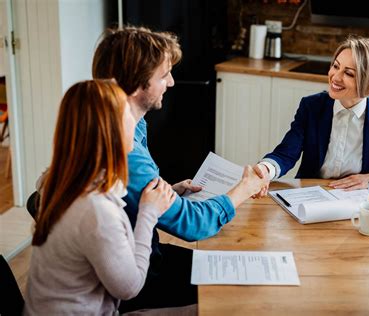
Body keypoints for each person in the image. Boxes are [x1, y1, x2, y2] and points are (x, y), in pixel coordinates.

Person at [91, 27, 267, 312]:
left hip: (144, 253)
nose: (171, 82)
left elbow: (130, 198)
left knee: (239, 267)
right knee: (246, 287)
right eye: (163, 75)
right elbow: (192, 225)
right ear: (137, 84)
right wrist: (243, 190)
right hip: (139, 276)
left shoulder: (131, 125)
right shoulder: (126, 152)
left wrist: (169, 192)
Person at [23, 80, 177, 314]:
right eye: (128, 116)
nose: (134, 122)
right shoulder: (94, 209)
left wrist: (163, 195)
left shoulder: (61, 178)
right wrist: (149, 212)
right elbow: (130, 287)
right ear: (110, 132)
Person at [254, 35, 369, 193]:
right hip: (311, 195)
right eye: (336, 66)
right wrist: (265, 170)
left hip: (361, 202)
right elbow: (286, 154)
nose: (335, 77)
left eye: (348, 73)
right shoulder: (311, 107)